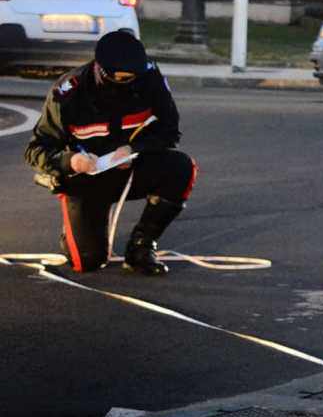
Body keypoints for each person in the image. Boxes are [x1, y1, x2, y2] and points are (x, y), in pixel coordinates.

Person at [24, 31, 197, 276]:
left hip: (129, 166)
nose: (128, 86)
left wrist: (133, 150)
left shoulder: (150, 79)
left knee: (181, 168)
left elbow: (170, 131)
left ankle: (141, 246)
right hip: (85, 176)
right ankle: (74, 222)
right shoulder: (68, 94)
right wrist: (71, 161)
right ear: (101, 71)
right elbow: (36, 150)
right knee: (88, 262)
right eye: (121, 80)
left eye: (133, 79)